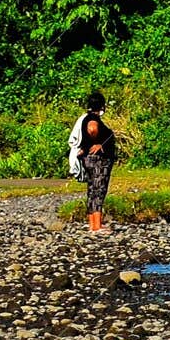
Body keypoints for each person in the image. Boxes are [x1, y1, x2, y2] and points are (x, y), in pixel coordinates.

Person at [70, 92, 117, 234]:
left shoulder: (85, 118)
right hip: (98, 161)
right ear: (102, 105)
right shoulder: (92, 119)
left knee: (92, 190)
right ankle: (97, 226)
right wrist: (98, 143)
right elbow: (92, 129)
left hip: (89, 160)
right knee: (99, 191)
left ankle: (92, 224)